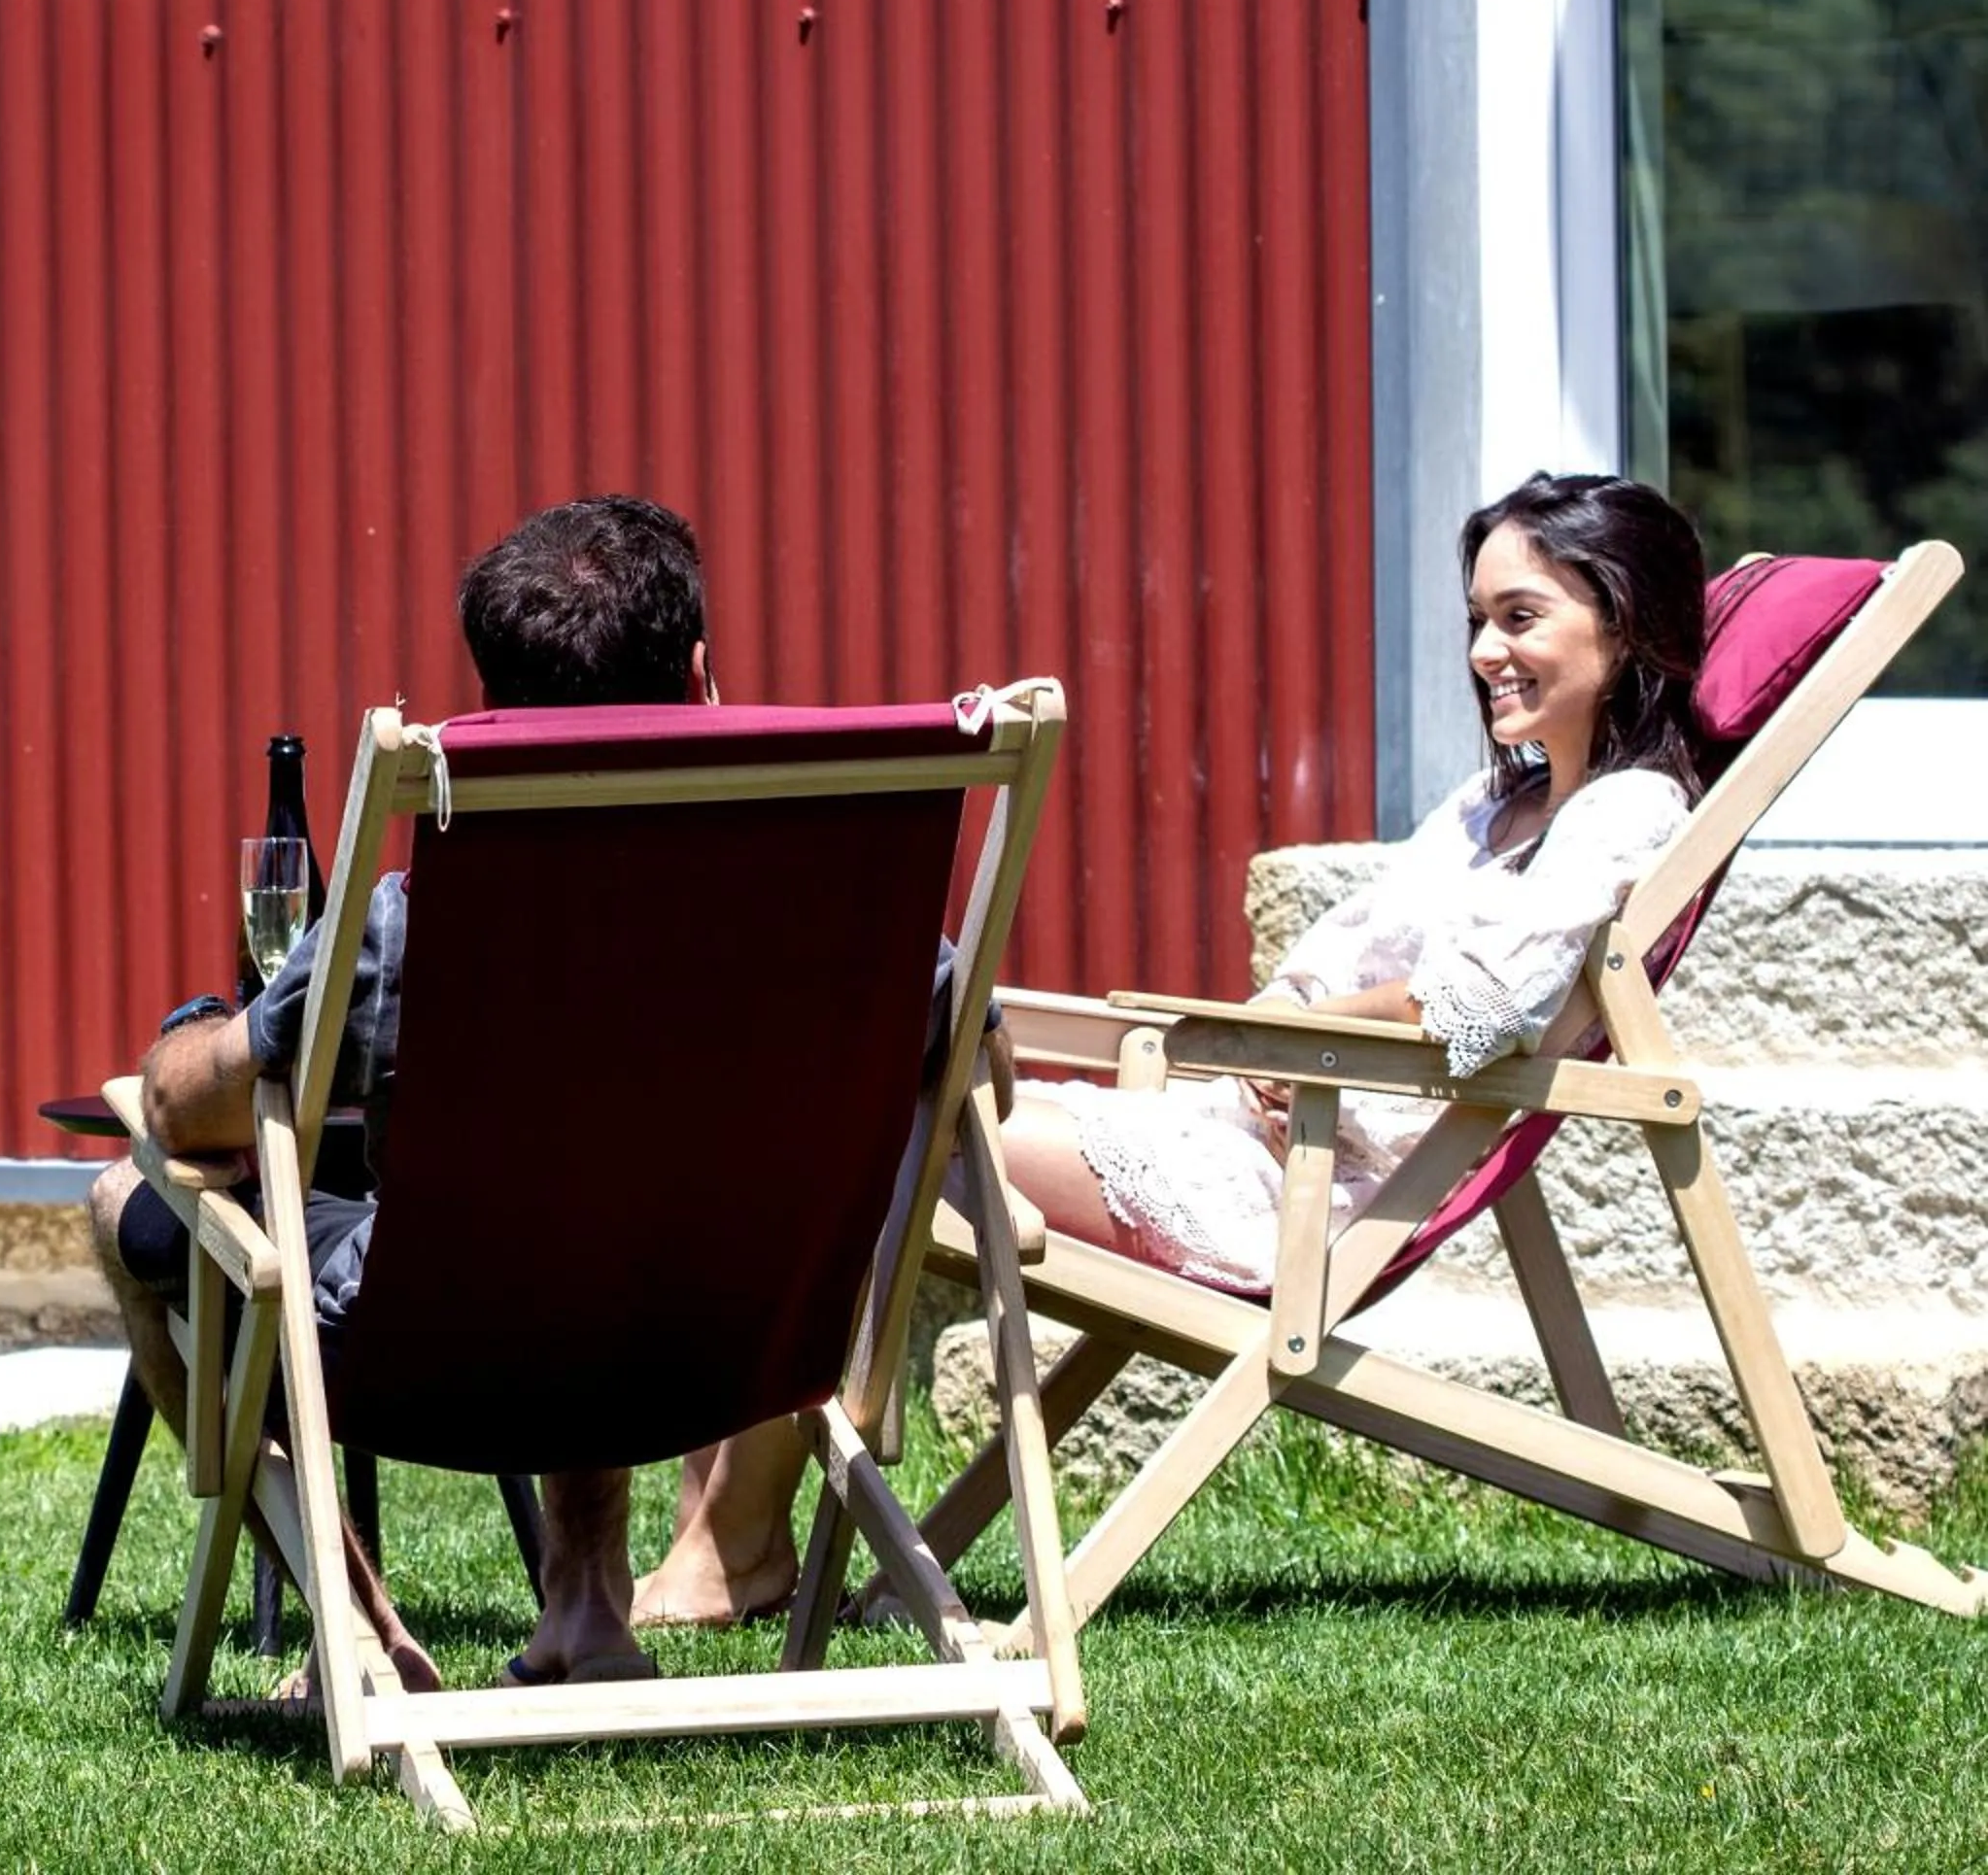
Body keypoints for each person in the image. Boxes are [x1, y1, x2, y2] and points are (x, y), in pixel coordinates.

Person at [634, 469, 1714, 1631]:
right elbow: (1335, 953)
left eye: (1522, 617)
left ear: (1625, 618)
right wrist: (1274, 1031)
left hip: (1302, 1187)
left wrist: (1292, 1042)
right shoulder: (1490, 809)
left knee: (835, 1141)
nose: (1487, 652)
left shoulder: (1629, 812)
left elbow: (1476, 1002)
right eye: (1477, 621)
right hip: (1242, 1129)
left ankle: (734, 1547)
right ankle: (726, 1537)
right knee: (805, 1137)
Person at [86, 493, 716, 1695]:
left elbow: (186, 1113)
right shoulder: (826, 915)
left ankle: (362, 1630)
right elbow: (974, 1071)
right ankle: (586, 1606)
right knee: (611, 1202)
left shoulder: (411, 926)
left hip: (438, 1336)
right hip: (719, 1339)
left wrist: (190, 1038)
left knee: (130, 1198)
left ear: (492, 709)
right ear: (700, 679)